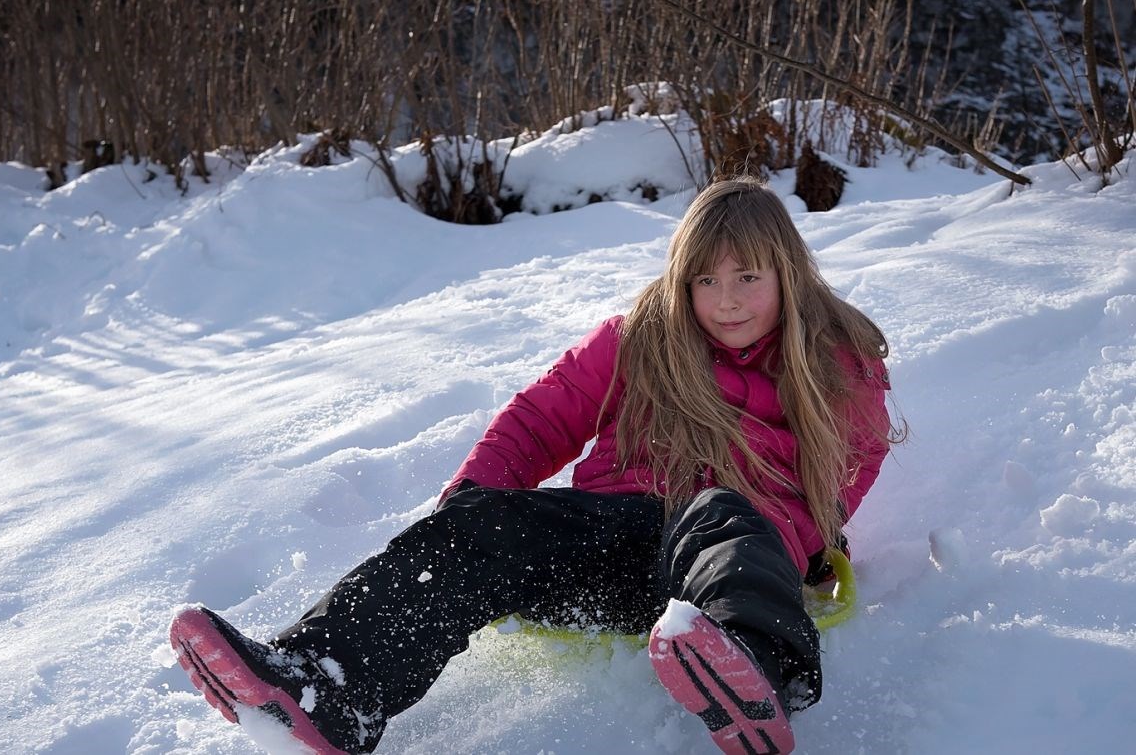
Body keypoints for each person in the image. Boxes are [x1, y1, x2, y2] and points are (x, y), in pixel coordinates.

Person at [170, 176, 902, 755]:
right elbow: (540, 420)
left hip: (724, 561)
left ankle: (750, 671)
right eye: (705, 282)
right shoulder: (641, 339)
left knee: (722, 515)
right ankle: (325, 689)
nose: (725, 301)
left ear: (787, 273)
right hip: (611, 540)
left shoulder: (836, 359)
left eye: (747, 277)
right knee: (483, 526)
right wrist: (471, 506)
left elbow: (842, 478)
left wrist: (795, 544)